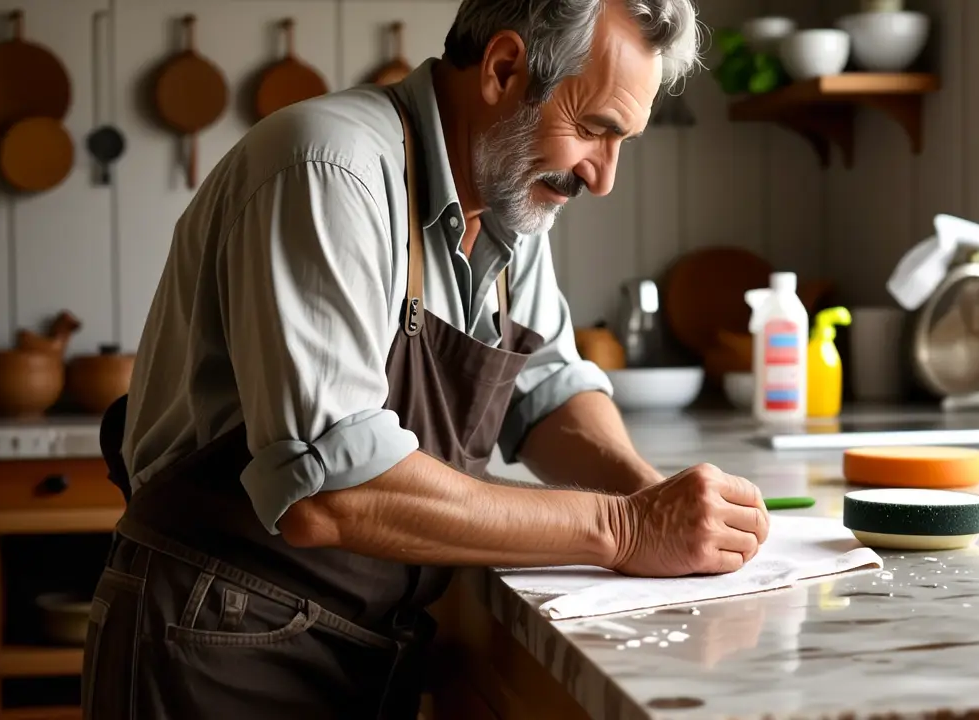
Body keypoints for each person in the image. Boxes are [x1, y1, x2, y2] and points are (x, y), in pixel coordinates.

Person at [80, 0, 771, 718]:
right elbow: (328, 496)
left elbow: (548, 393)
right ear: (504, 70)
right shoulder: (328, 168)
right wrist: (625, 530)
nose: (603, 178)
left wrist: (651, 498)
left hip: (363, 648)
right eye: (594, 130)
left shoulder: (508, 197)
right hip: (216, 637)